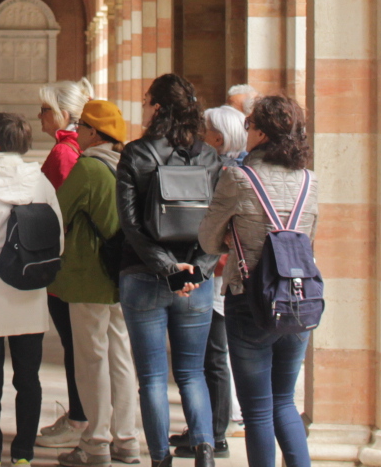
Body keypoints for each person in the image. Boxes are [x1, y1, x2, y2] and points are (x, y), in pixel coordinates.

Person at [198, 95, 317, 467]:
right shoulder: (309, 181)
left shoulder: (238, 176)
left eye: (249, 127)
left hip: (250, 298)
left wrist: (235, 241)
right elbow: (309, 236)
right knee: (285, 401)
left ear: (262, 132)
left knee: (258, 410)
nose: (246, 134)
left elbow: (207, 239)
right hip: (298, 299)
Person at [117, 74, 223, 467]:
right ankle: (205, 451)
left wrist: (166, 268)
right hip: (196, 282)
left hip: (143, 275)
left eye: (147, 102)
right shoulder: (210, 157)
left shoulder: (136, 154)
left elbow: (130, 224)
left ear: (158, 108)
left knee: (153, 380)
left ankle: (161, 459)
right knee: (193, 373)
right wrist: (196, 270)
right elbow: (218, 223)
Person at [52, 100, 143, 466]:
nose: (78, 133)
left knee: (91, 359)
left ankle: (96, 442)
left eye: (81, 127)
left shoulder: (89, 167)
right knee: (121, 357)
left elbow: (60, 209)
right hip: (124, 273)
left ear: (92, 132)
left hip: (90, 275)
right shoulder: (127, 164)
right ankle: (127, 440)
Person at [0, 112, 60, 467]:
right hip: (28, 290)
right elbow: (58, 240)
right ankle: (23, 453)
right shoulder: (41, 182)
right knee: (29, 377)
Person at [173, 106, 249, 460]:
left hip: (218, 275)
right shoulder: (225, 168)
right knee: (207, 357)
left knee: (214, 356)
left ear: (218, 138)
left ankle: (215, 434)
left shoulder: (228, 173)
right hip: (213, 272)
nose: (201, 135)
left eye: (205, 130)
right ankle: (203, 428)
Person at [35, 77, 95, 449]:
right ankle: (81, 414)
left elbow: (61, 210)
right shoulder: (74, 148)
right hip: (74, 257)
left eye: (45, 109)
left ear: (64, 114)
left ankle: (79, 417)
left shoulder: (63, 153)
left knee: (75, 343)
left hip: (65, 259)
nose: (39, 115)